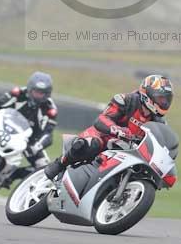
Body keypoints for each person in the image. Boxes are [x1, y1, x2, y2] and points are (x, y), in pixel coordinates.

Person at [44, 74, 174, 183]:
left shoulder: (160, 123)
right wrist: (120, 131)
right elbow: (101, 120)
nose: (164, 103)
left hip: (129, 151)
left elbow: (161, 145)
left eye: (166, 100)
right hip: (105, 137)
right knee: (91, 145)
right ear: (148, 94)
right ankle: (60, 163)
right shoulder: (126, 100)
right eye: (161, 98)